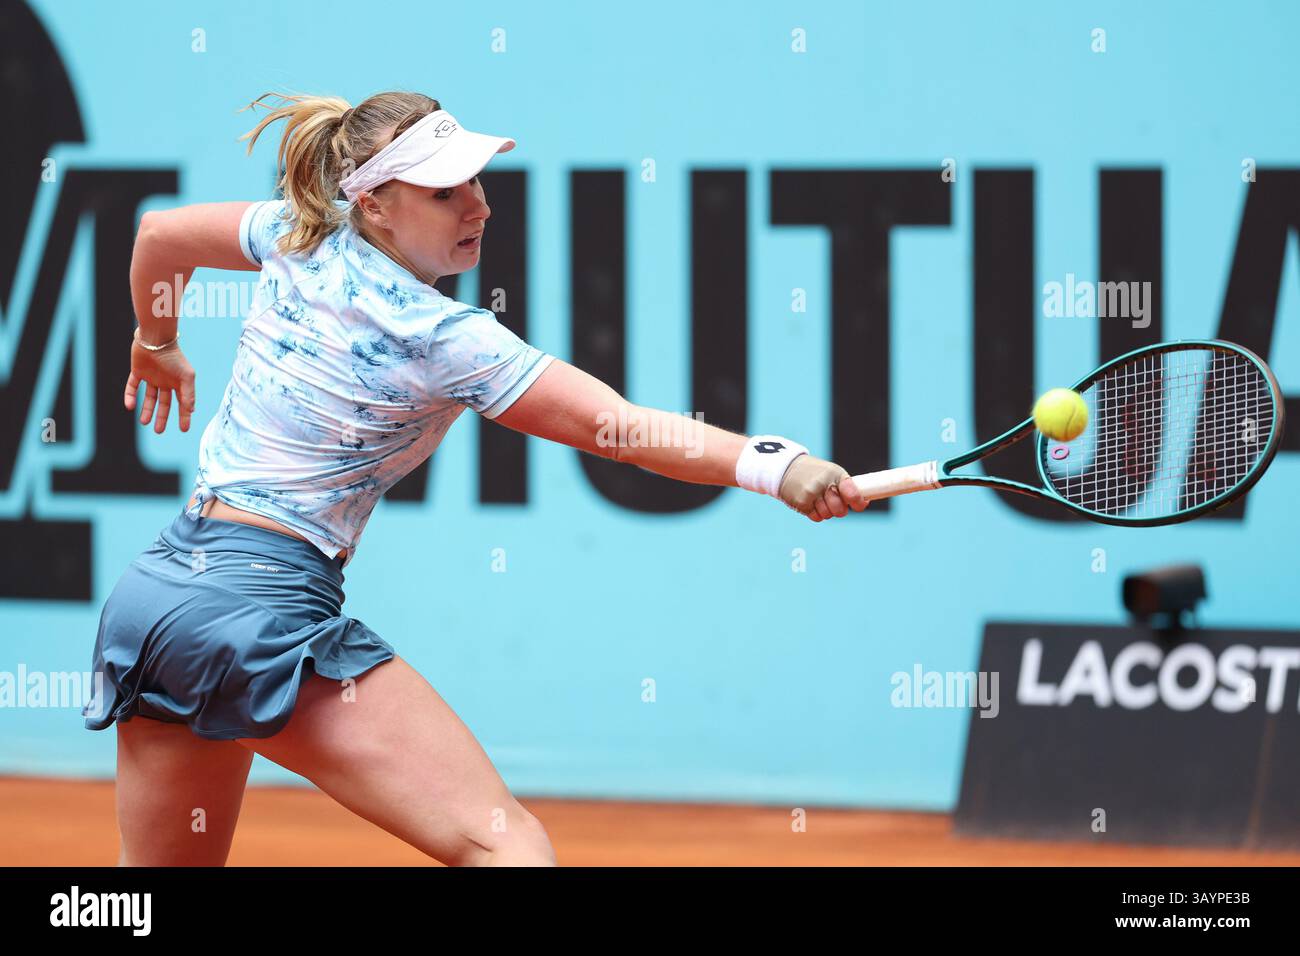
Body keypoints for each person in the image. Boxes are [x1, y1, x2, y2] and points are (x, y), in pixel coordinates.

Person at [83, 90, 866, 867]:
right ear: (376, 205)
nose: (478, 207)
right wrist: (776, 466)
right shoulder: (449, 338)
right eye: (444, 191)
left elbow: (159, 235)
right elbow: (615, 429)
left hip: (159, 601)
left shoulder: (294, 234)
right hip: (261, 611)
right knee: (506, 846)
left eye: (477, 182)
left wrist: (155, 340)